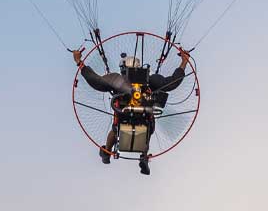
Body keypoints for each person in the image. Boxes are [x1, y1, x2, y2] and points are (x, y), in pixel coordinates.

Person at [72, 47, 189, 175]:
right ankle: (142, 155)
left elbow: (96, 82)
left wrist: (80, 63)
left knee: (117, 128)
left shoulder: (117, 79)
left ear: (123, 69)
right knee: (146, 129)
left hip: (125, 117)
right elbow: (172, 83)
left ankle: (108, 151)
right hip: (143, 118)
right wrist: (184, 62)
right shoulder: (150, 81)